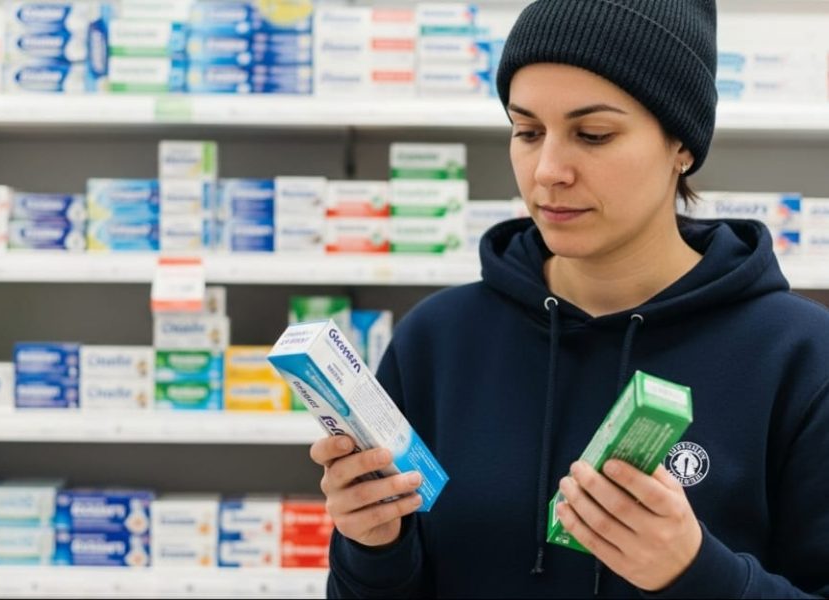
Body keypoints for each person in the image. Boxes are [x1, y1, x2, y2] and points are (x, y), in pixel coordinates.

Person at [309, 0, 829, 597]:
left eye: (593, 134)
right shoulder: (439, 342)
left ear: (681, 144)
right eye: (527, 131)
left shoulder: (800, 358)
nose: (548, 170)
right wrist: (373, 548)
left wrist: (698, 574)